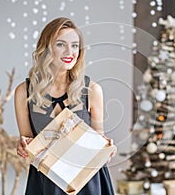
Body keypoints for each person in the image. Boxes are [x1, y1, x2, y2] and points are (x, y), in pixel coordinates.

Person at [14, 17, 115, 195]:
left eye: (75, 45)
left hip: (87, 180)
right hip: (47, 180)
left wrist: (105, 146)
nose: (70, 51)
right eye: (61, 44)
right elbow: (28, 142)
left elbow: (99, 137)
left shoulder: (92, 90)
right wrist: (23, 145)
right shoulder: (24, 92)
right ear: (46, 49)